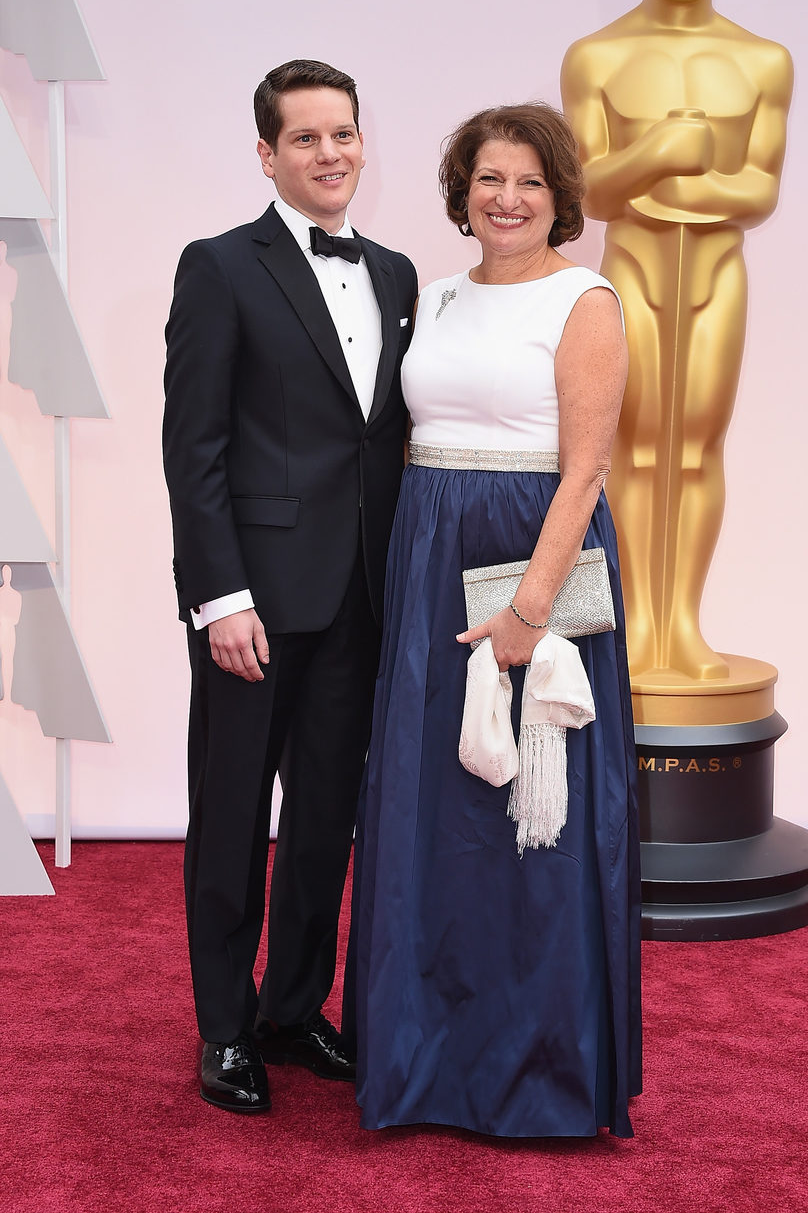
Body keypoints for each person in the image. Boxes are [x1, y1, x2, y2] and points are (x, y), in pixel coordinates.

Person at [346, 103, 643, 1138]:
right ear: (461, 192)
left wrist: (527, 607)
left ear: (561, 196)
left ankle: (539, 1071)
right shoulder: (432, 297)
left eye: (527, 180)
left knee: (532, 820)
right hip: (430, 560)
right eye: (487, 179)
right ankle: (424, 1058)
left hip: (536, 557)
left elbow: (587, 470)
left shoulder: (586, 300)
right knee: (434, 811)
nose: (506, 198)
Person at [162, 59, 417, 1113]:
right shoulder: (220, 266)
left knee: (324, 820)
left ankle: (292, 1004)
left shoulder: (400, 273)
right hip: (254, 607)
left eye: (343, 134)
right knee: (231, 818)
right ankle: (224, 1027)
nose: (330, 154)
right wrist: (220, 598)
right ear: (267, 154)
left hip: (362, 601)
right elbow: (196, 447)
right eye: (306, 138)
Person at [561, 0, 793, 683]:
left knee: (695, 447)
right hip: (632, 268)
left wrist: (664, 185)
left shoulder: (762, 61)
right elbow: (590, 190)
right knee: (627, 446)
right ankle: (633, 623)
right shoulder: (598, 57)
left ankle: (681, 625)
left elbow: (759, 189)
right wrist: (661, 153)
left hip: (716, 273)